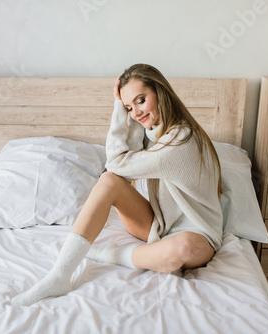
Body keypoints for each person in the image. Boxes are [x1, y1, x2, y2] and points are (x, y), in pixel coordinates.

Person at [12, 64, 223, 307]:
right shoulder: (153, 131)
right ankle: (59, 276)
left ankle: (110, 254)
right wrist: (121, 109)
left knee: (183, 247)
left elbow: (116, 160)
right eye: (128, 108)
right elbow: (116, 166)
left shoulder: (181, 139)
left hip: (199, 234)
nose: (135, 114)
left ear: (161, 92)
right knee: (108, 181)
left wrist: (118, 109)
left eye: (141, 100)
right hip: (159, 226)